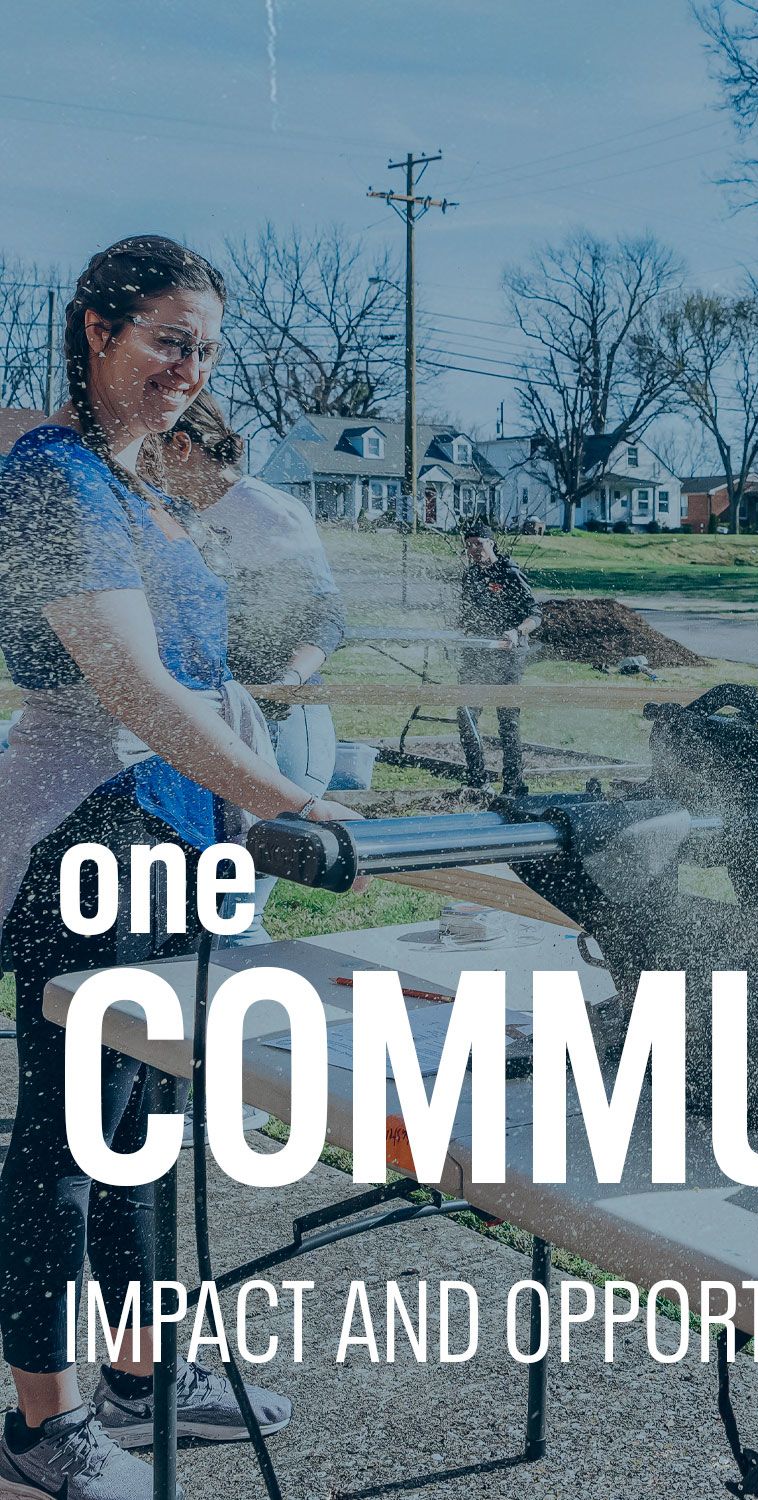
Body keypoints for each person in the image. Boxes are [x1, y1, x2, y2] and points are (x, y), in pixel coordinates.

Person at [0, 236, 357, 1499]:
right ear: (95, 331)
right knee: (66, 1135)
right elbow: (128, 679)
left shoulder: (146, 486)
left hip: (179, 833)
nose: (187, 372)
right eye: (165, 341)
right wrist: (283, 802)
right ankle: (41, 1423)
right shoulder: (54, 477)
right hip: (86, 825)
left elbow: (211, 666)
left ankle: (145, 1377)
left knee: (151, 1124)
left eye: (202, 349)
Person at [160, 391, 346, 943]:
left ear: (183, 448)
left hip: (281, 720)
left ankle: (247, 1023)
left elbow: (327, 617)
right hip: (219, 717)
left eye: (151, 450)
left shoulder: (266, 511)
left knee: (233, 913)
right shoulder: (177, 510)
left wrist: (282, 684)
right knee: (198, 911)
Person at [455, 520, 541, 794]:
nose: (473, 549)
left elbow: (535, 615)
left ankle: (513, 785)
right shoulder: (470, 576)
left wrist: (517, 631)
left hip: (509, 653)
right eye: (468, 545)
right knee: (467, 714)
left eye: (478, 543)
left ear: (490, 543)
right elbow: (466, 615)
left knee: (508, 719)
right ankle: (477, 781)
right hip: (478, 653)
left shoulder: (509, 572)